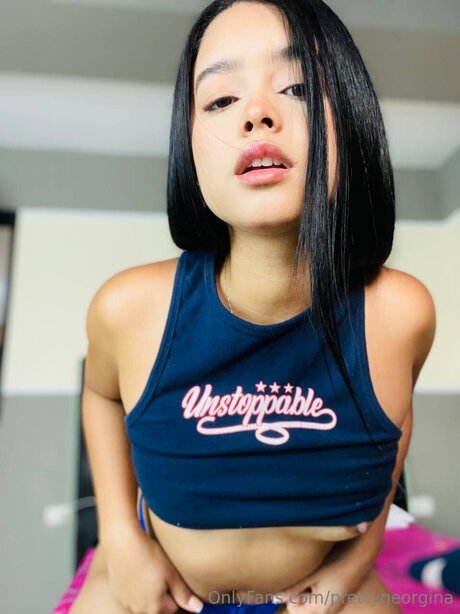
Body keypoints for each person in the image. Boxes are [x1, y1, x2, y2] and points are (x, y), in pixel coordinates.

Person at [70, 1, 436, 613]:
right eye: (220, 99)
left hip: (324, 594)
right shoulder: (128, 309)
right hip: (160, 591)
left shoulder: (401, 314)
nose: (256, 114)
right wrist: (118, 537)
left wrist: (359, 559)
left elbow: (393, 426)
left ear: (351, 119)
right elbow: (101, 395)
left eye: (297, 88)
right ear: (189, 148)